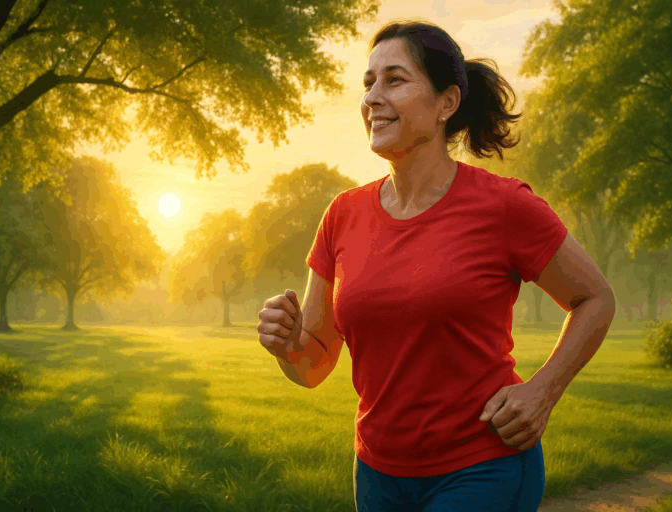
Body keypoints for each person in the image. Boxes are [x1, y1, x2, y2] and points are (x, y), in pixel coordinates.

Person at [257, 19, 616, 512]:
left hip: (484, 466)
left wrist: (542, 392)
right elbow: (314, 362)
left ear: (447, 103)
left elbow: (595, 298)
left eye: (395, 80)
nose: (372, 98)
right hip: (378, 475)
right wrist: (284, 345)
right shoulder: (342, 215)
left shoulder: (503, 205)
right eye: (368, 83)